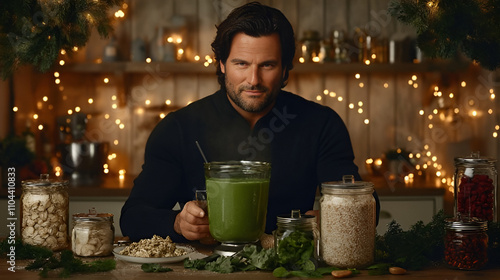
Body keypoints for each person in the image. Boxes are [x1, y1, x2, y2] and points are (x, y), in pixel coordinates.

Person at [120, 1, 380, 243]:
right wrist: (178, 223)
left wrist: (335, 218)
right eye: (241, 63)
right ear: (222, 64)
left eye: (267, 65)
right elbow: (133, 217)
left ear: (286, 68)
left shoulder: (321, 124)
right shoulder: (177, 128)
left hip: (289, 265)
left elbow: (366, 204)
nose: (253, 79)